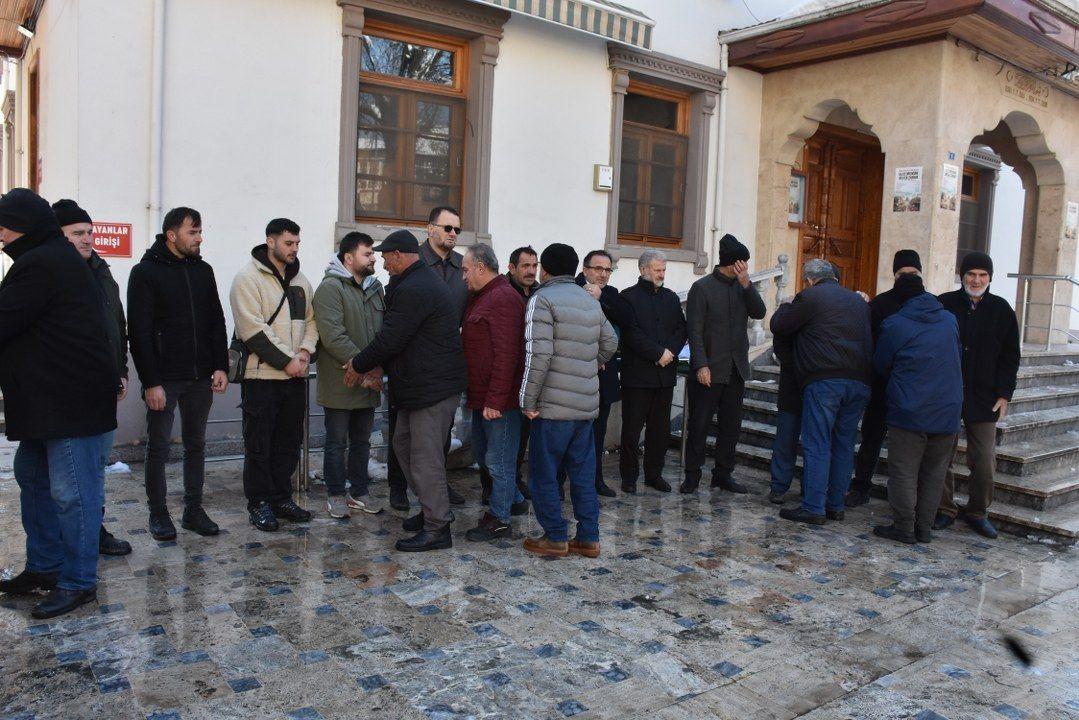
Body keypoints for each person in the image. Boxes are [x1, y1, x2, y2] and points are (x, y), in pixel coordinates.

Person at [0, 188, 117, 619]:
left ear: (23, 226)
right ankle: (44, 567)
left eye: (4, 227)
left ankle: (79, 580)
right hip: (45, 401)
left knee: (74, 494)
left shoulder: (43, 262)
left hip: (68, 401)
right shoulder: (48, 258)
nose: (0, 236)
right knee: (31, 475)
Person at [345, 230, 466, 553]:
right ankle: (432, 508)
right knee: (403, 445)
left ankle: (438, 527)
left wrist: (359, 364)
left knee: (425, 458)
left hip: (432, 388)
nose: (383, 263)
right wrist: (379, 367)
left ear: (399, 255)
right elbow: (402, 340)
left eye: (386, 256)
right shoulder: (414, 283)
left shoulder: (416, 287)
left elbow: (392, 338)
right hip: (417, 386)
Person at [128, 207, 228, 541]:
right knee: (158, 448)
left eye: (200, 232)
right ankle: (158, 514)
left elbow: (216, 320)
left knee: (196, 445)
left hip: (200, 375)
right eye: (193, 232)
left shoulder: (203, 271)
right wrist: (150, 382)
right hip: (165, 379)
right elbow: (139, 333)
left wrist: (220, 366)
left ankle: (193, 510)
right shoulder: (145, 272)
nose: (199, 238)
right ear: (172, 235)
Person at [519, 243, 618, 558]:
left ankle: (556, 536)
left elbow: (539, 354)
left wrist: (527, 399)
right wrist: (591, 361)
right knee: (583, 475)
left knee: (544, 474)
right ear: (576, 268)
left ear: (544, 271)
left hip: (552, 408)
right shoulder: (590, 300)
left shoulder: (542, 298)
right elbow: (611, 341)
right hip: (585, 407)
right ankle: (589, 538)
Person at [53, 199, 132, 556]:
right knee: (69, 479)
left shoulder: (102, 271)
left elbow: (117, 326)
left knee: (97, 468)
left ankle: (93, 530)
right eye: (77, 233)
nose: (86, 239)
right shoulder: (53, 272)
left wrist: (121, 371)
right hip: (69, 392)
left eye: (89, 232)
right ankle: (67, 541)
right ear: (59, 236)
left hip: (105, 387)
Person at [230, 218, 319, 532]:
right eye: (288, 243)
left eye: (297, 243)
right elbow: (252, 329)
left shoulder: (301, 281)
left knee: (288, 442)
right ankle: (259, 503)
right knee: (259, 445)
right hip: (262, 378)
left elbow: (312, 321)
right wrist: (287, 360)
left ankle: (281, 498)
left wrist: (306, 352)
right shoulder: (247, 278)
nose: (294, 249)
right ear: (271, 242)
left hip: (294, 379)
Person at [770, 258, 872, 525]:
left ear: (810, 280)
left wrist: (785, 305)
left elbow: (779, 326)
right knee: (844, 445)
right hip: (859, 381)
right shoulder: (858, 301)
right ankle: (835, 505)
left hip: (825, 380)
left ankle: (813, 507)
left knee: (818, 444)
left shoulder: (811, 297)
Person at [933, 252, 1020, 539]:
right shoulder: (943, 304)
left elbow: (1010, 357)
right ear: (962, 275)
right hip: (947, 393)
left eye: (982, 275)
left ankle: (978, 512)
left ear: (990, 278)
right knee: (941, 456)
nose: (976, 280)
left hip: (984, 397)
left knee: (983, 460)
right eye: (971, 274)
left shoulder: (1002, 309)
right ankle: (944, 509)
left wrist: (1004, 394)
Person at [871, 273, 962, 544]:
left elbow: (881, 364)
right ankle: (924, 528)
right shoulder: (949, 319)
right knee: (935, 473)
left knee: (904, 472)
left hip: (909, 410)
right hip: (947, 410)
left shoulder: (895, 324)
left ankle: (904, 527)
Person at [682, 234, 766, 494]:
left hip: (735, 370)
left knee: (731, 428)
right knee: (699, 426)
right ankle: (692, 476)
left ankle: (722, 475)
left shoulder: (742, 287)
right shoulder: (702, 288)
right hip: (708, 370)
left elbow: (760, 313)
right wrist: (701, 365)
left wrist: (747, 285)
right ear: (732, 263)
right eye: (743, 264)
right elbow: (694, 330)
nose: (745, 269)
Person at [313, 232, 385, 519]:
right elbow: (333, 336)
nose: (374, 258)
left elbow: (383, 333)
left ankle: (359, 491)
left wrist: (377, 368)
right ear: (349, 258)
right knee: (336, 441)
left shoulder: (375, 288)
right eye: (368, 254)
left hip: (368, 382)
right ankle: (335, 494)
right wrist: (364, 367)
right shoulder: (330, 288)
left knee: (362, 440)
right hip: (342, 380)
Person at [846, 249, 925, 507]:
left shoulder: (929, 303)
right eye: (902, 273)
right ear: (894, 275)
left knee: (912, 447)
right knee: (871, 438)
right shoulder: (880, 304)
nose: (907, 278)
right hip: (882, 385)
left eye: (912, 274)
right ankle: (861, 487)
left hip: (914, 388)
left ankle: (908, 497)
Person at [461, 243, 529, 541]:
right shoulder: (484, 296)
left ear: (480, 267)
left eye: (465, 269)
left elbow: (507, 354)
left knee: (498, 460)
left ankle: (500, 518)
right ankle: (513, 499)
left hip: (497, 400)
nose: (463, 276)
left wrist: (496, 400)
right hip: (481, 396)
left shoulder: (502, 298)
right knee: (483, 452)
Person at [618, 249, 687, 494]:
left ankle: (654, 474)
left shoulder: (669, 298)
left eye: (664, 270)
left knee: (660, 431)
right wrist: (658, 353)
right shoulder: (628, 297)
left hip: (664, 377)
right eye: (657, 270)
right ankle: (628, 476)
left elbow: (681, 328)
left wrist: (669, 351)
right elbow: (631, 333)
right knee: (632, 429)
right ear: (643, 269)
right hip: (637, 376)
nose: (661, 274)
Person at [412, 204, 467, 506]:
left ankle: (439, 485)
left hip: (448, 360)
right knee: (405, 429)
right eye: (447, 228)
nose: (453, 234)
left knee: (443, 428)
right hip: (414, 359)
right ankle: (400, 485)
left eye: (457, 229)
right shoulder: (413, 261)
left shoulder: (463, 266)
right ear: (430, 228)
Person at [575, 249, 634, 498]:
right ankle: (561, 482)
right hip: (575, 377)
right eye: (598, 268)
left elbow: (627, 319)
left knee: (598, 433)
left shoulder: (610, 294)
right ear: (585, 269)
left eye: (607, 269)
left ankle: (595, 479)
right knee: (572, 433)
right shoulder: (571, 289)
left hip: (604, 376)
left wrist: (601, 299)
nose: (603, 274)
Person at [504, 245, 539, 500]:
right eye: (525, 266)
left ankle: (516, 480)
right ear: (511, 267)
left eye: (534, 266)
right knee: (504, 436)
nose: (530, 271)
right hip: (507, 374)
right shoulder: (502, 292)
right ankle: (497, 486)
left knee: (525, 433)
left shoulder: (540, 293)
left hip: (532, 374)